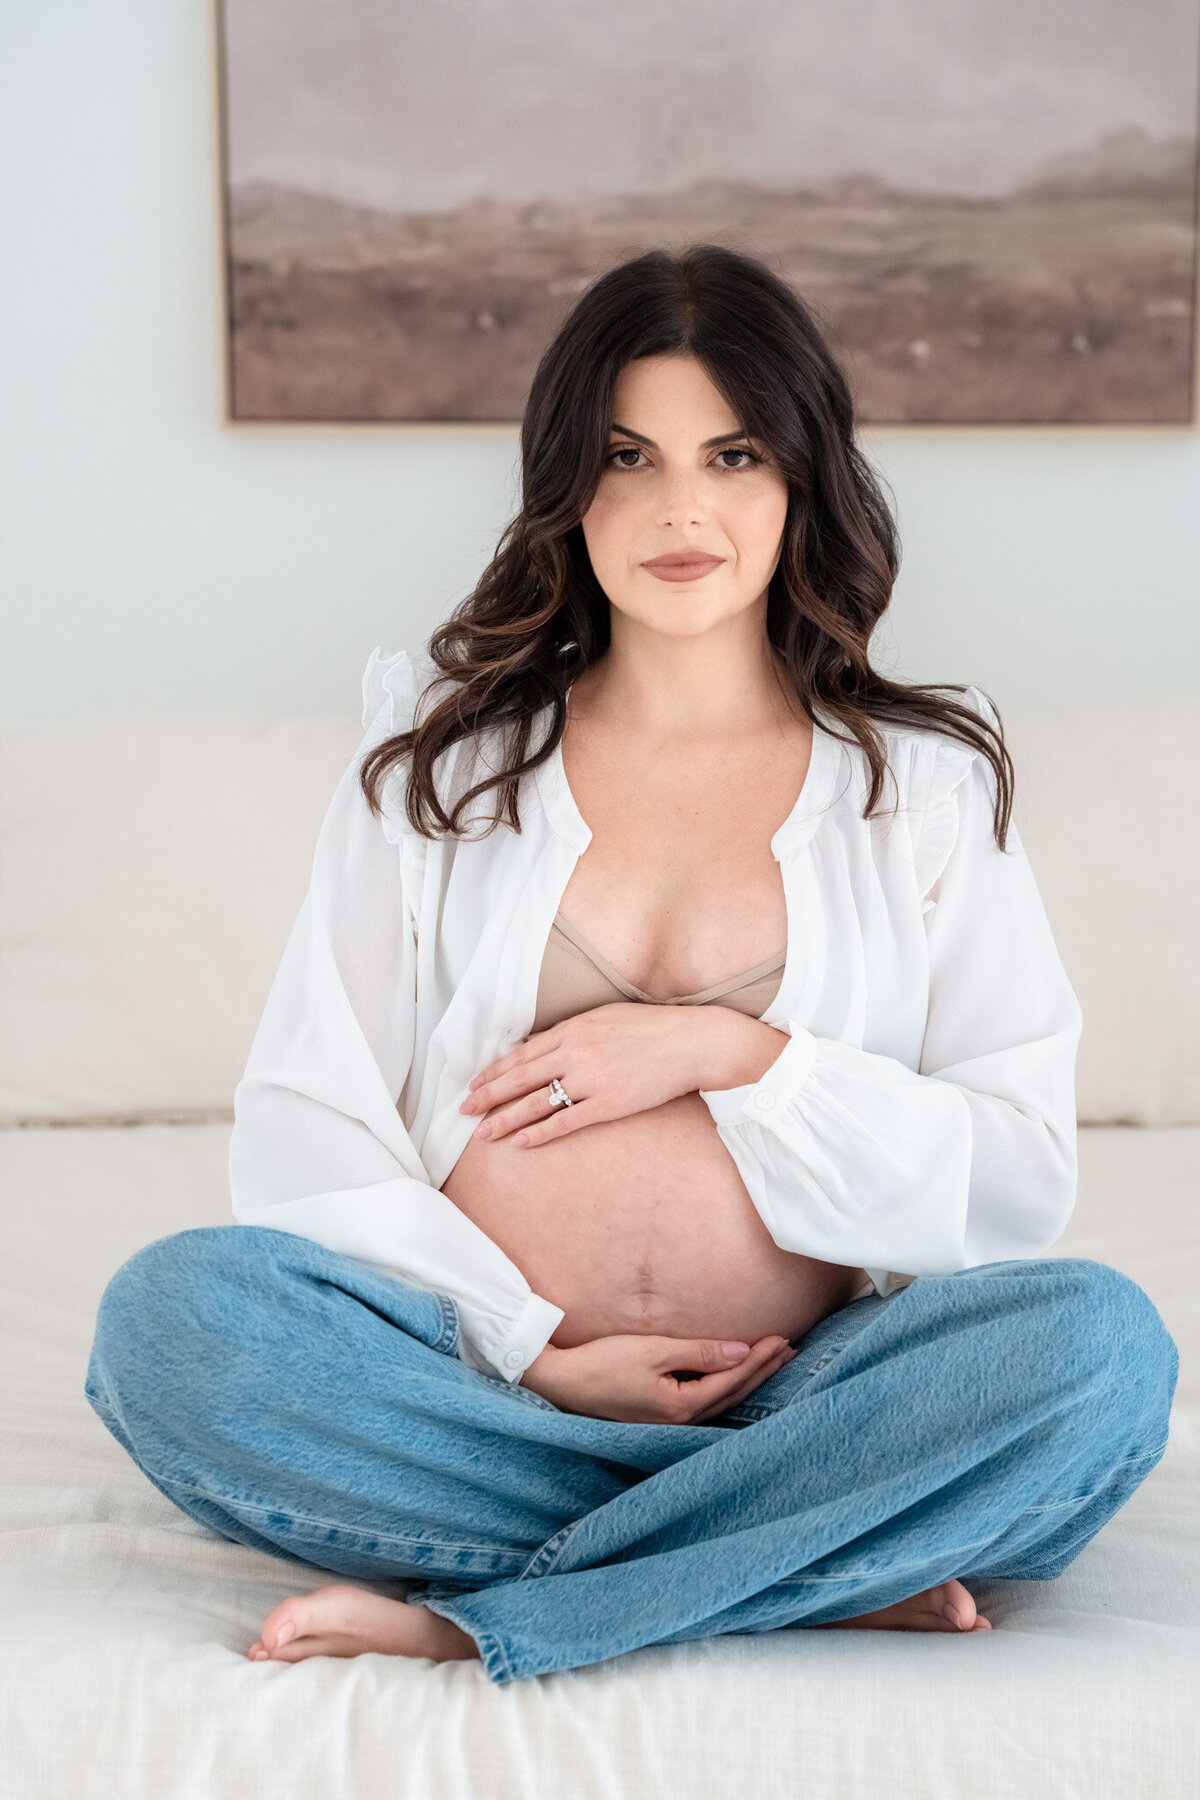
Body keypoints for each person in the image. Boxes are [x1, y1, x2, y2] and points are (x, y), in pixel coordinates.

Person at [84, 244, 1178, 1685]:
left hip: (811, 1398)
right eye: (626, 457)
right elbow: (309, 1121)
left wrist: (733, 1055)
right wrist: (528, 1352)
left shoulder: (920, 781)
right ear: (565, 487)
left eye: (731, 454)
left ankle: (485, 1610)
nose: (680, 509)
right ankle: (794, 1561)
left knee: (1099, 1353)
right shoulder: (438, 765)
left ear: (799, 479)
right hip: (476, 1389)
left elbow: (1013, 1173)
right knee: (172, 1323)